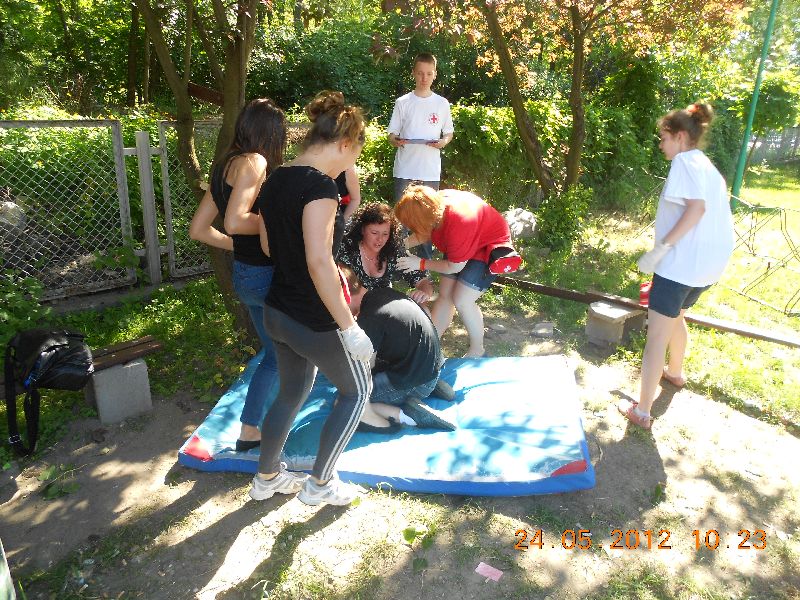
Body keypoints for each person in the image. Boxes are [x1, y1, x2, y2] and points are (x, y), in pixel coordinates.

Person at [250, 91, 374, 506]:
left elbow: (268, 246)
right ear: (345, 144)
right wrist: (350, 327)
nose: (351, 165)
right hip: (312, 317)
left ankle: (266, 478)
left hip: (277, 310)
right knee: (357, 391)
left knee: (291, 392)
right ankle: (320, 484)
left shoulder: (276, 177)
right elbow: (319, 261)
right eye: (354, 155)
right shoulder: (320, 186)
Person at [618, 102, 734, 430]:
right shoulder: (707, 166)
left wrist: (661, 249)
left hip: (680, 266)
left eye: (664, 138)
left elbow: (696, 209)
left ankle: (642, 411)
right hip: (708, 268)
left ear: (681, 137)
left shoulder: (684, 161)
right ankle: (676, 373)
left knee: (656, 335)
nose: (661, 144)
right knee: (677, 318)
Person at [188, 98, 287, 452]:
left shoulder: (225, 165)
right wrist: (278, 221)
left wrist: (238, 247)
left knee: (275, 353)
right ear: (270, 133)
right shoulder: (255, 162)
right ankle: (256, 426)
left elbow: (198, 229)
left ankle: (254, 427)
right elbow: (234, 221)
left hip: (245, 276)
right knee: (287, 353)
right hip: (266, 275)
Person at [394, 185, 512, 358]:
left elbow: (454, 266)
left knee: (463, 299)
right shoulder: (431, 207)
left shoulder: (461, 221)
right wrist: (398, 245)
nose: (411, 228)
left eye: (413, 224)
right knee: (446, 295)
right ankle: (430, 346)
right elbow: (423, 232)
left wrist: (420, 263)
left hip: (487, 245)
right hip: (462, 241)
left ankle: (477, 350)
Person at [341, 267, 456, 433]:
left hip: (416, 380)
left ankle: (409, 414)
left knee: (349, 401)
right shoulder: (382, 294)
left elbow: (365, 369)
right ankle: (431, 386)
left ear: (343, 297)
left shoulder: (369, 318)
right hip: (432, 366)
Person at [387, 52, 454, 202]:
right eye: (420, 73)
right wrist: (395, 140)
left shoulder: (442, 103)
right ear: (413, 73)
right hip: (404, 170)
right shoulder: (402, 102)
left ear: (435, 74)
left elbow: (448, 132)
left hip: (430, 171)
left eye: (429, 74)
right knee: (402, 215)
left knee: (430, 215)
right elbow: (391, 135)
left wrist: (443, 142)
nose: (424, 78)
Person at [337, 202, 434, 304]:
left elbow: (423, 280)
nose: (380, 239)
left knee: (424, 308)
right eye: (374, 233)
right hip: (351, 308)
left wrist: (424, 293)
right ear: (362, 230)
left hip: (384, 307)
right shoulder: (347, 249)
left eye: (385, 234)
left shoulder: (393, 251)